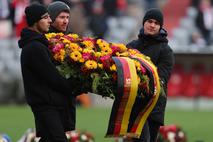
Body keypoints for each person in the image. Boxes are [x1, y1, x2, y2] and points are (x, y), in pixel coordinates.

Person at [18, 3, 78, 142]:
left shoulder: (39, 44)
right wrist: (75, 86)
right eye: (45, 18)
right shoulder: (34, 47)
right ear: (35, 21)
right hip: (45, 105)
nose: (50, 21)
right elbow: (53, 77)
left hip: (49, 104)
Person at [127, 8, 175, 142]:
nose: (152, 25)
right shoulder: (131, 47)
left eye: (156, 23)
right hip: (133, 106)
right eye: (149, 21)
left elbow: (161, 79)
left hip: (153, 109)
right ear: (144, 23)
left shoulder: (166, 51)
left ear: (160, 27)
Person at [47, 1, 77, 132]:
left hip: (68, 98)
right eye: (62, 17)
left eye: (67, 17)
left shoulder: (72, 39)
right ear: (52, 18)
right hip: (51, 98)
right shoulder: (45, 39)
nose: (65, 21)